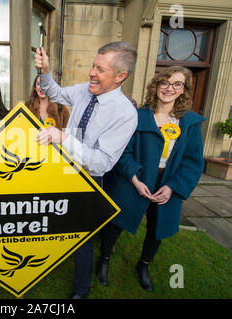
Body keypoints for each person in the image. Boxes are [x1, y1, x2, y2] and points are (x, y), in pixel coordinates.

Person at [34, 41, 138, 299]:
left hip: (87, 183)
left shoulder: (126, 114)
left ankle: (80, 291)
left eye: (100, 69)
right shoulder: (84, 90)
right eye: (93, 65)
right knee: (50, 223)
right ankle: (38, 267)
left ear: (120, 76)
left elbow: (102, 163)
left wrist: (63, 139)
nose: (91, 72)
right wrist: (45, 70)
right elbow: (54, 92)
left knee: (82, 239)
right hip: (60, 173)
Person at [98, 66, 205, 292]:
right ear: (156, 85)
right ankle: (104, 259)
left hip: (168, 181)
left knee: (158, 229)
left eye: (177, 84)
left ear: (184, 89)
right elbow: (122, 151)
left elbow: (192, 161)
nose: (169, 88)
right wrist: (135, 179)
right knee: (116, 223)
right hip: (135, 178)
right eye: (165, 82)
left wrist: (173, 187)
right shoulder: (136, 117)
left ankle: (143, 265)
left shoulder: (190, 123)